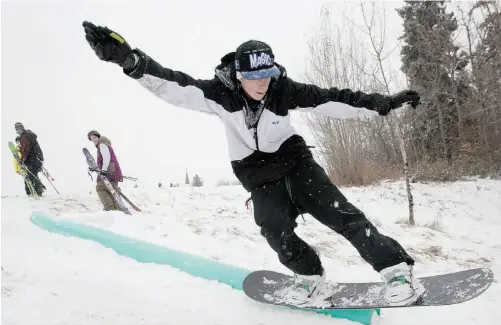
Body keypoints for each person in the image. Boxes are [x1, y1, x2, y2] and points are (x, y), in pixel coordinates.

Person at [82, 21, 424, 305]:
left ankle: (396, 270)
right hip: (258, 176)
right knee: (274, 228)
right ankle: (309, 275)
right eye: (255, 76)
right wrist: (129, 60)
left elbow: (333, 99)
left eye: (268, 74)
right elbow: (173, 85)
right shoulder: (218, 94)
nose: (263, 83)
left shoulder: (283, 89)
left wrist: (383, 103)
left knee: (341, 214)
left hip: (296, 163)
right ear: (238, 74)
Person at [87, 130, 124, 211]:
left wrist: (103, 170)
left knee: (100, 188)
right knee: (112, 191)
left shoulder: (102, 145)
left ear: (98, 136)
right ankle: (117, 210)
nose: (94, 140)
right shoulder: (105, 145)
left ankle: (109, 209)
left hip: (108, 172)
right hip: (113, 171)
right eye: (91, 139)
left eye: (95, 137)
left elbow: (106, 158)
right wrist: (96, 168)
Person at [14, 122, 46, 197]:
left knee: (31, 175)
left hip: (33, 159)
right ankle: (38, 190)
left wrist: (22, 160)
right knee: (33, 174)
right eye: (16, 130)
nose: (18, 131)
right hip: (37, 158)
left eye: (19, 129)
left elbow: (26, 150)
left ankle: (38, 191)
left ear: (22, 128)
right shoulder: (28, 135)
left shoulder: (25, 137)